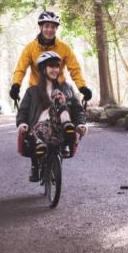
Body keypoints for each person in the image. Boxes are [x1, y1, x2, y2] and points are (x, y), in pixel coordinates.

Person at [16, 51, 86, 182]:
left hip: (59, 128)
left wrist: (81, 123)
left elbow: (77, 109)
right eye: (51, 66)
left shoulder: (66, 88)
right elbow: (23, 111)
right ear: (43, 69)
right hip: (37, 131)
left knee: (57, 94)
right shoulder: (32, 92)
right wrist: (21, 123)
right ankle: (36, 162)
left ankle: (66, 126)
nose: (55, 70)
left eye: (57, 67)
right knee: (40, 128)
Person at [9, 10, 93, 104]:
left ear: (56, 29)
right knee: (25, 110)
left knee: (74, 104)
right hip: (37, 87)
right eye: (47, 26)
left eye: (53, 27)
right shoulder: (30, 48)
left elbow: (75, 70)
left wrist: (82, 87)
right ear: (41, 27)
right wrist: (16, 85)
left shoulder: (64, 48)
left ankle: (79, 118)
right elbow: (21, 69)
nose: (50, 30)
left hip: (60, 86)